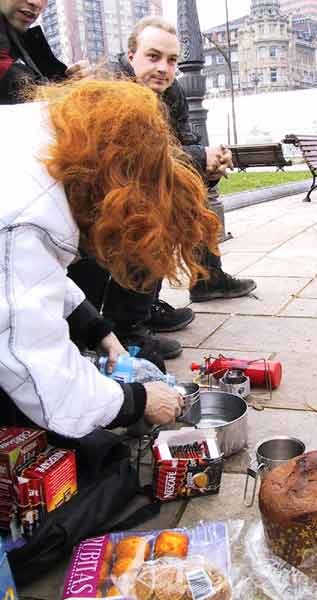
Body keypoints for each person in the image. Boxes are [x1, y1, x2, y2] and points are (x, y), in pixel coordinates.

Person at [0, 78, 220, 438]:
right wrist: (137, 400)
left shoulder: (45, 136)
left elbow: (31, 277)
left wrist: (101, 332)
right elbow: (42, 379)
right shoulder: (24, 218)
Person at [68, 17, 256, 357]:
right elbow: (130, 157)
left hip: (140, 187)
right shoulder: (108, 87)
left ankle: (166, 299)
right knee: (148, 216)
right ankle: (128, 330)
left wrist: (211, 166)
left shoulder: (174, 93)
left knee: (186, 203)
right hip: (95, 198)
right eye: (153, 57)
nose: (163, 69)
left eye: (171, 61)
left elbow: (184, 146)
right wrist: (198, 157)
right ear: (130, 56)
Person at [0, 0, 90, 104]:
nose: (36, 3)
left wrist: (73, 79)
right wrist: (77, 93)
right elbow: (15, 85)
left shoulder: (23, 42)